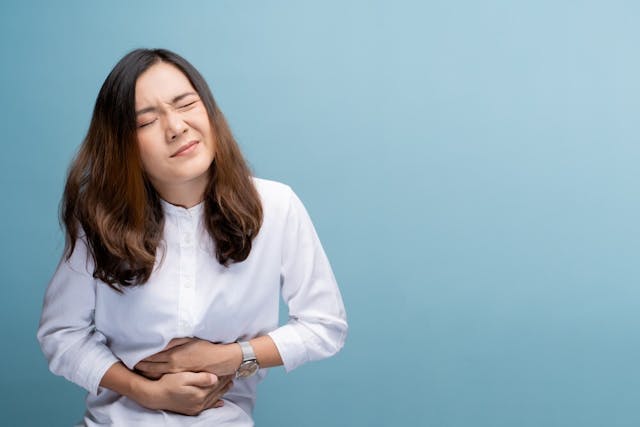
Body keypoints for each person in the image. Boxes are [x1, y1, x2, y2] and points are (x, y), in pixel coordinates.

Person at [37, 48, 348, 426]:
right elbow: (61, 334)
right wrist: (144, 391)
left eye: (186, 104)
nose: (176, 127)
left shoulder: (276, 206)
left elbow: (324, 326)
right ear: (124, 146)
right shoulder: (100, 219)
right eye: (146, 122)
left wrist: (232, 356)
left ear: (210, 111)